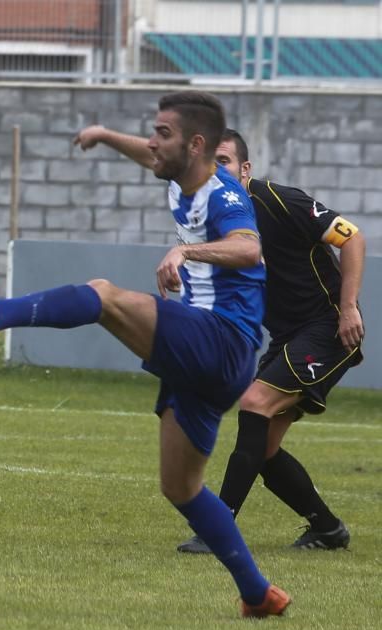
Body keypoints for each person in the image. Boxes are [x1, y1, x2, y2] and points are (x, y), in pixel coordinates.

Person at [0, 91, 290, 617]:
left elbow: (249, 247)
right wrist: (106, 137)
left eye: (163, 134)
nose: (153, 142)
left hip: (222, 339)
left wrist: (185, 249)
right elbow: (153, 157)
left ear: (197, 145)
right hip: (213, 356)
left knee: (103, 294)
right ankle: (258, 593)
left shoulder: (222, 196)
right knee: (180, 486)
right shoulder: (185, 176)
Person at [73, 124, 365, 554]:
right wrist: (105, 136)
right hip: (285, 337)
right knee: (263, 449)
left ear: (245, 169)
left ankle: (217, 526)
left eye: (223, 161)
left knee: (254, 404)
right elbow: (161, 158)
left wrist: (349, 307)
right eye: (210, 162)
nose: (215, 170)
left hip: (327, 328)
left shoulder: (277, 199)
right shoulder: (214, 215)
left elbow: (352, 237)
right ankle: (326, 527)